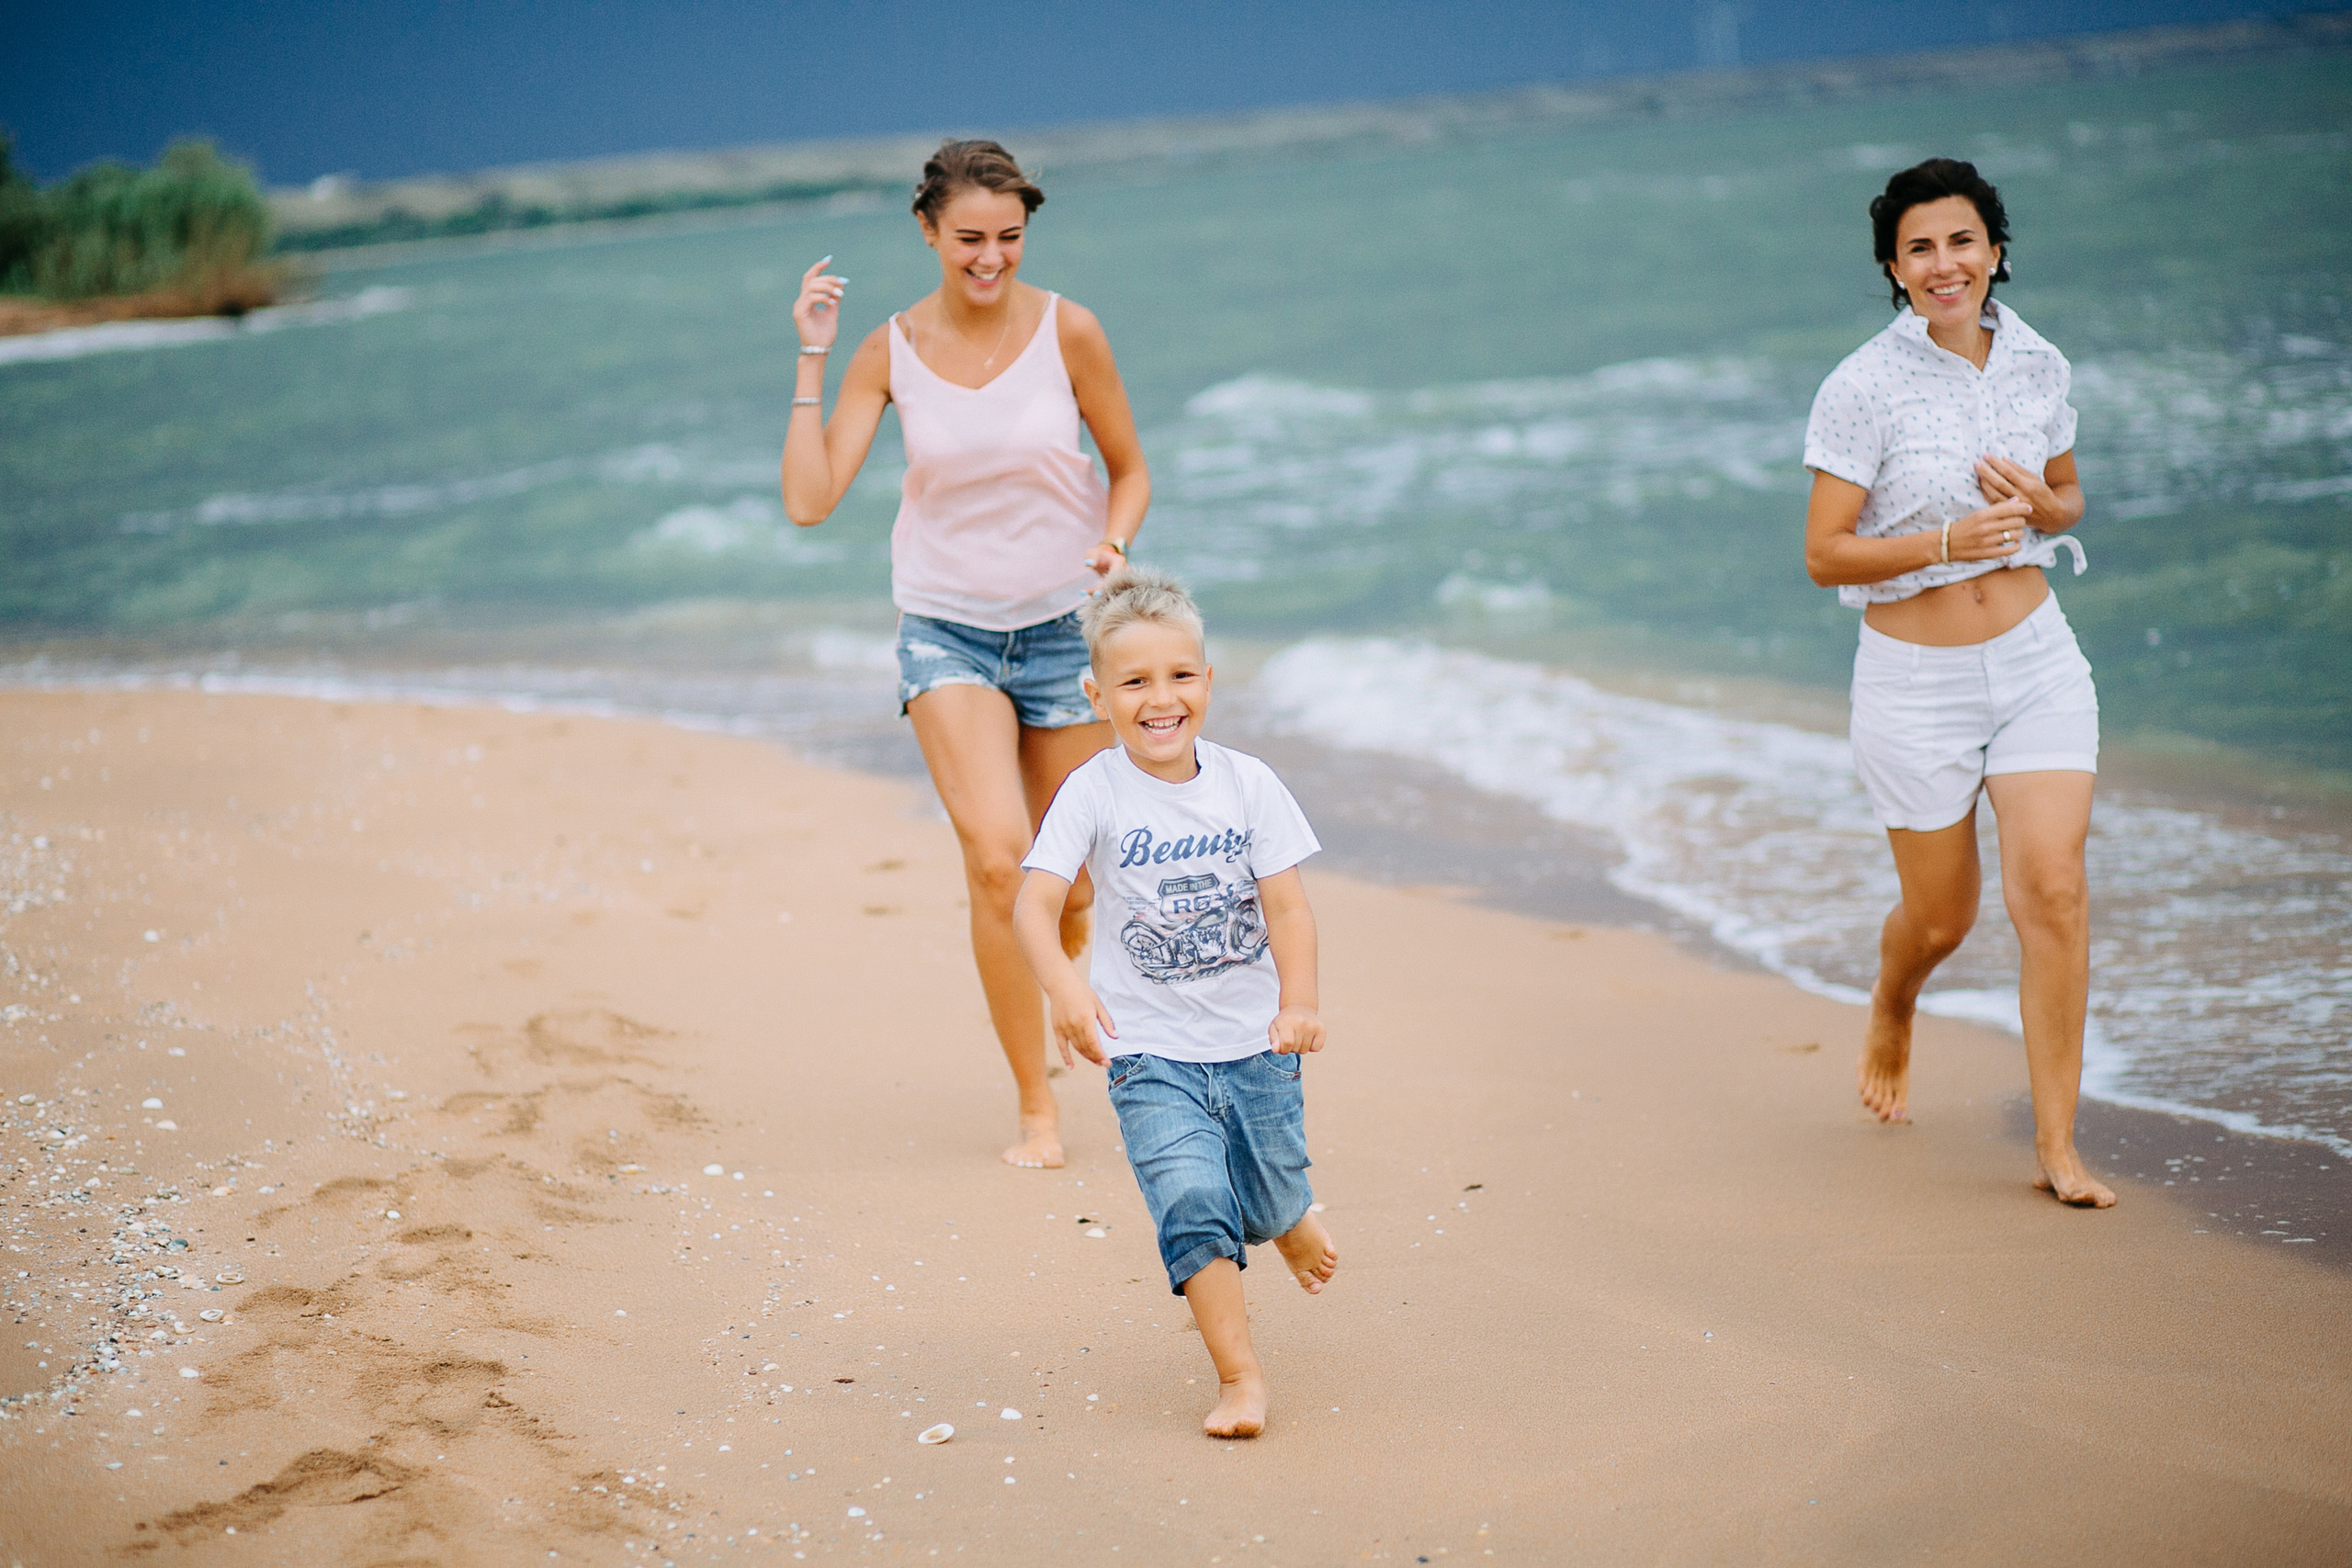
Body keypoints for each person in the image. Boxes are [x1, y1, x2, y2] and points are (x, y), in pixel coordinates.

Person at [782, 140, 1150, 1169]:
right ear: (928, 232)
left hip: (1062, 630)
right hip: (944, 631)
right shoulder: (885, 351)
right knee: (998, 862)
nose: (990, 259)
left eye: (1008, 238)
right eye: (969, 240)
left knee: (1074, 881)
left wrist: (1114, 546)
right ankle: (1037, 1105)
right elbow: (810, 503)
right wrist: (813, 356)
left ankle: (1064, 932)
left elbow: (1129, 470)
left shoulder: (1067, 330)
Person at [1802, 157, 2115, 1208]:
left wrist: (2041, 504)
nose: (1946, 265)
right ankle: (1895, 999)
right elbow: (1824, 554)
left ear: (1996, 251)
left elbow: (2066, 499)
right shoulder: (1861, 386)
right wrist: (1944, 536)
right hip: (1913, 683)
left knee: (2055, 892)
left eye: (1963, 242)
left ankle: (2058, 1149)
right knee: (1941, 921)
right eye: (1920, 248)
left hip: (2034, 661)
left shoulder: (2037, 363)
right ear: (1894, 267)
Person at [1011, 568, 1340, 1438]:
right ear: (1096, 693)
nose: (1161, 698)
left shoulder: (1249, 784)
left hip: (1259, 1043)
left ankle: (1287, 1214)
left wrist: (1299, 1002)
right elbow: (1034, 903)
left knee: (1265, 1199)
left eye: (1180, 675)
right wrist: (1068, 991)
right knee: (1194, 1202)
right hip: (1149, 1051)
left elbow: (1288, 906)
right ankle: (1241, 1377)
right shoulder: (1093, 790)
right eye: (1134, 681)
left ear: (1207, 677)